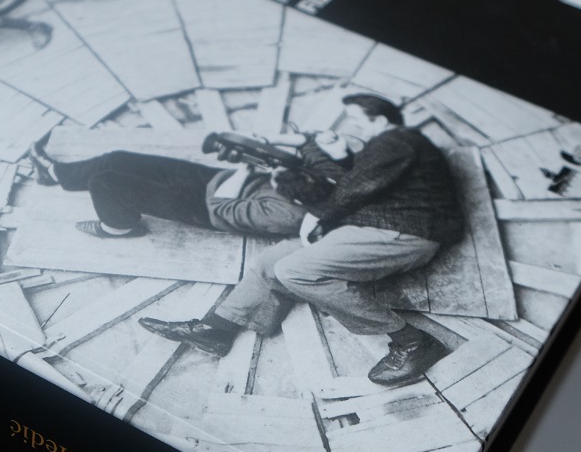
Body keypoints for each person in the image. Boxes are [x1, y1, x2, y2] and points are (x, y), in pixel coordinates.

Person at [137, 93, 465, 388]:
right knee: (272, 261)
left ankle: (412, 341)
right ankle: (215, 330)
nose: (354, 126)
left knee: (296, 270)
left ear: (379, 120)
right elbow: (359, 177)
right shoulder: (390, 146)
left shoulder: (397, 141)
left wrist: (316, 215)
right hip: (370, 224)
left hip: (409, 231)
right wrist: (323, 153)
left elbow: (354, 188)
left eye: (357, 120)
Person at [26, 133, 307, 239]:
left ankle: (117, 227)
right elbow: (308, 147)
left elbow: (222, 207)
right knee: (118, 159)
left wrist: (247, 168)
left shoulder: (287, 215)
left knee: (103, 182)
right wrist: (266, 148)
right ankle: (56, 174)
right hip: (214, 179)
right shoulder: (317, 185)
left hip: (202, 208)